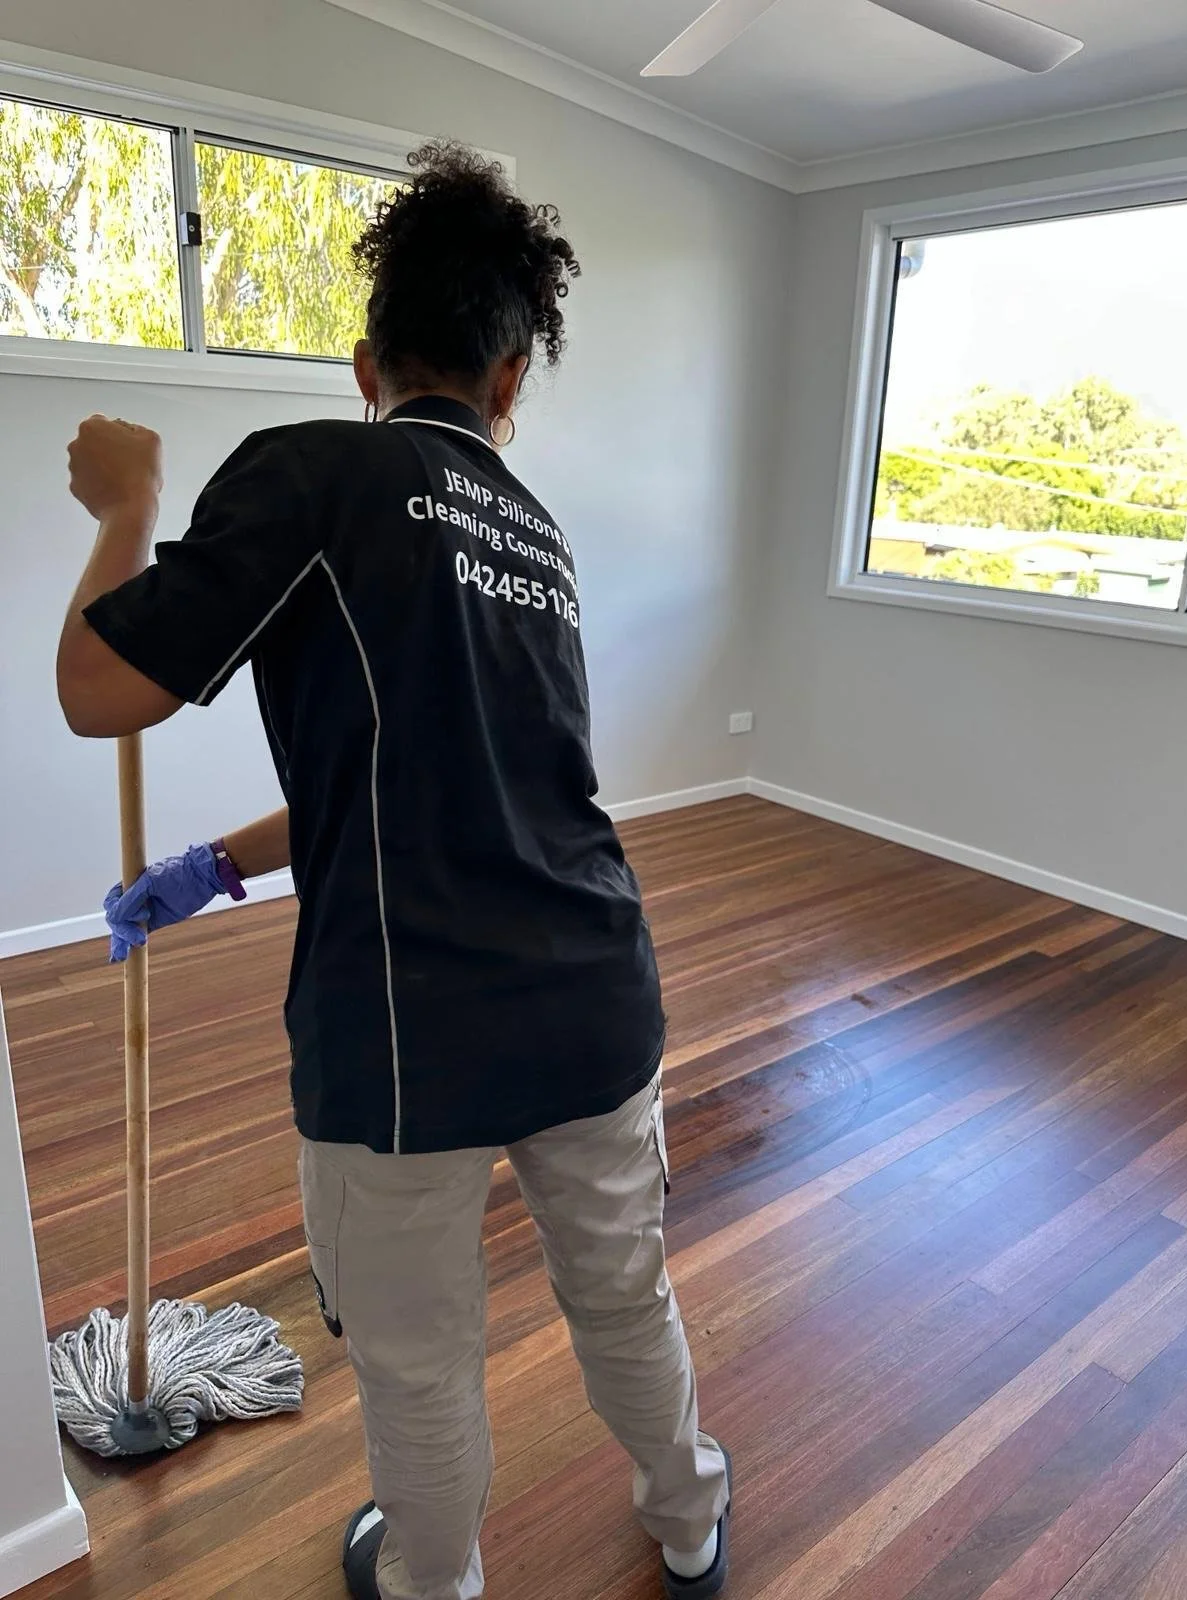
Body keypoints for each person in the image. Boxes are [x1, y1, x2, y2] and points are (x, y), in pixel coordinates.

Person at [56, 141, 730, 1600]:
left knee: (423, 1360)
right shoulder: (535, 539)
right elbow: (441, 777)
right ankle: (690, 1524)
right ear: (510, 386)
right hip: (598, 1000)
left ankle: (432, 1579)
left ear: (368, 363)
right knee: (626, 1298)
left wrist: (124, 507)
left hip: (405, 1029)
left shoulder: (317, 469)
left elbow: (98, 691)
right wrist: (210, 868)